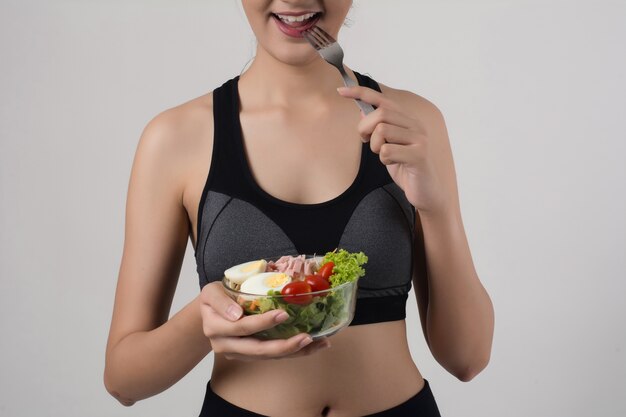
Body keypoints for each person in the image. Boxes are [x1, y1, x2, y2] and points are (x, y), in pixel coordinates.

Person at [104, 1, 495, 416]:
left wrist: (436, 209)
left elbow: (467, 359)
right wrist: (202, 322)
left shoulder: (411, 123)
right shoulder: (175, 138)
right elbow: (124, 380)